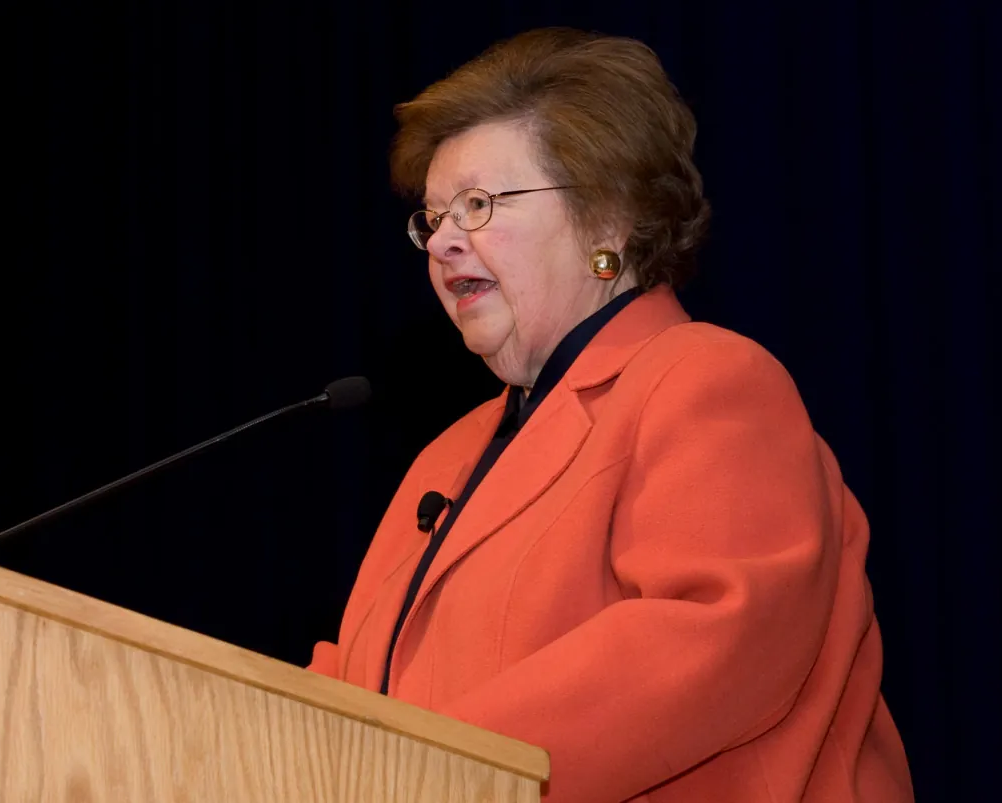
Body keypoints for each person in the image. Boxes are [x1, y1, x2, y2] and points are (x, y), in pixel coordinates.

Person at [308, 27, 914, 803]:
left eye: (479, 205)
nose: (444, 242)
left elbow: (707, 634)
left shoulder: (708, 380)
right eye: (433, 219)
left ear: (608, 221)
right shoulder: (447, 458)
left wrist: (422, 772)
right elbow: (351, 690)